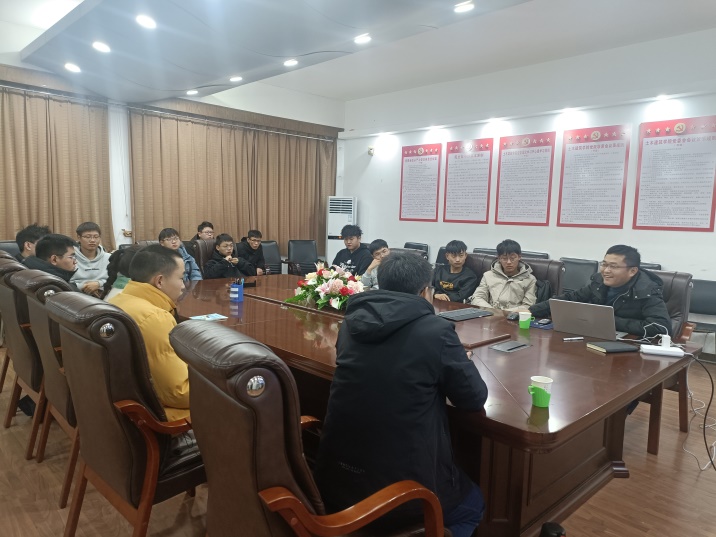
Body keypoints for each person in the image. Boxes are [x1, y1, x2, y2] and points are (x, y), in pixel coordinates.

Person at [315, 252, 488, 537]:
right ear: (424, 291)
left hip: (335, 480)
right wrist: (458, 359)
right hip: (403, 493)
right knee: (473, 505)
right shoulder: (436, 331)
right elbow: (473, 398)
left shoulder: (351, 323)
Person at [109, 244, 190, 420]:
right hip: (155, 417)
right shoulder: (154, 318)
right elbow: (179, 393)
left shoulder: (117, 300)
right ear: (159, 281)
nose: (184, 286)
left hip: (120, 409)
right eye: (181, 278)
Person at [530, 244, 672, 337]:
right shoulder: (599, 282)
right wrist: (531, 311)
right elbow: (570, 298)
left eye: (613, 266)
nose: (606, 271)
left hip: (629, 346)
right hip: (595, 337)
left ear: (632, 271)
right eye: (604, 264)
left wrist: (609, 321)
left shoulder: (646, 290)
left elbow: (661, 328)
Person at [469, 239, 536, 311]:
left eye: (512, 258)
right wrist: (492, 311)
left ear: (519, 257)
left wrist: (504, 313)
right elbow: (477, 297)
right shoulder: (488, 275)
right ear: (499, 258)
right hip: (490, 313)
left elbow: (528, 305)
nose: (509, 262)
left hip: (515, 315)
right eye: (504, 258)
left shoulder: (530, 279)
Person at [71, 222, 111, 296]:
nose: (92, 240)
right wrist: (85, 287)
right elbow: (64, 281)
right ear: (79, 237)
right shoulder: (70, 257)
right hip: (77, 295)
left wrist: (99, 284)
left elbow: (118, 280)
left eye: (96, 237)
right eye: (88, 237)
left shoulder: (109, 258)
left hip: (104, 294)